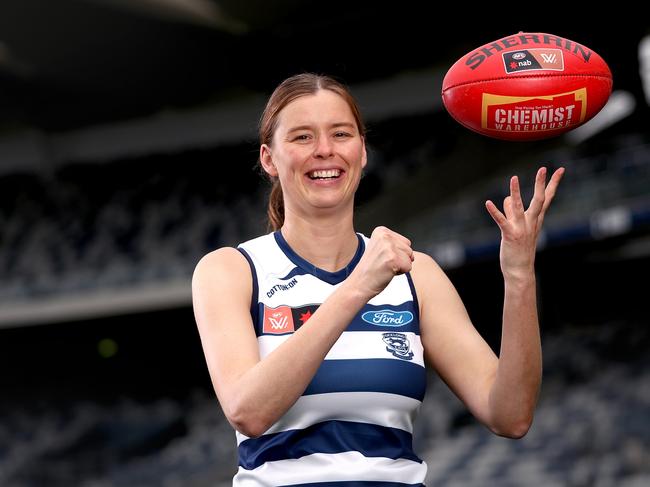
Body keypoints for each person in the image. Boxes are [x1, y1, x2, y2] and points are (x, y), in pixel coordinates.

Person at [192, 73, 564, 486]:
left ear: (362, 151)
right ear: (269, 159)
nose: (325, 150)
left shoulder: (415, 275)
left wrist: (518, 277)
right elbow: (249, 410)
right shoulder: (231, 270)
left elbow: (510, 415)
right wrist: (357, 287)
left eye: (341, 133)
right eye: (302, 137)